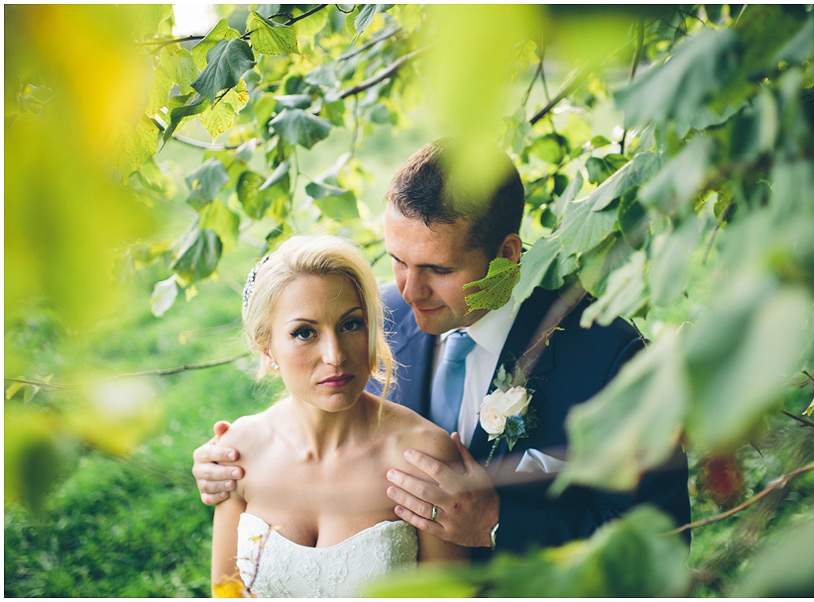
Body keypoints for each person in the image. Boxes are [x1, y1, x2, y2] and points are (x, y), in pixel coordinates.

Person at [195, 138, 691, 562]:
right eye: (396, 261)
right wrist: (234, 463)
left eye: (438, 270)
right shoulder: (368, 321)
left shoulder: (610, 360)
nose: (409, 291)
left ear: (507, 256)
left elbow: (658, 550)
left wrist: (499, 524)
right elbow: (320, 412)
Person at [209, 234, 467, 597]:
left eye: (350, 324)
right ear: (267, 349)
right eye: (304, 333)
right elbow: (226, 591)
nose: (335, 355)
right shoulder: (237, 453)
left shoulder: (423, 457)